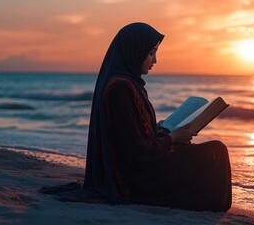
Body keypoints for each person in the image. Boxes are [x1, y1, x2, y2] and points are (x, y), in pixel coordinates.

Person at [78, 22, 232, 212]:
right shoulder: (121, 88)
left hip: (141, 168)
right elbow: (137, 152)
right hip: (138, 177)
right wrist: (172, 138)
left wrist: (157, 130)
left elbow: (132, 136)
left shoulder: (128, 84)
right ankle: (207, 203)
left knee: (207, 151)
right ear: (134, 51)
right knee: (216, 150)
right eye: (151, 53)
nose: (155, 60)